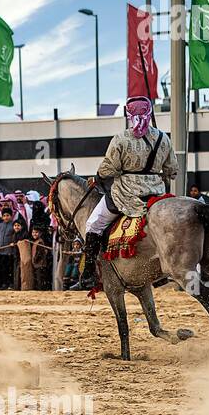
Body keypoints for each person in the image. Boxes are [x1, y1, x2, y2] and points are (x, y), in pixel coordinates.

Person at [71, 96, 177, 291]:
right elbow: (172, 170)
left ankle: (88, 274)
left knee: (93, 224)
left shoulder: (121, 139)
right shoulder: (163, 138)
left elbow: (108, 169)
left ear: (129, 115)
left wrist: (98, 177)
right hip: (156, 194)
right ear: (150, 113)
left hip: (126, 194)